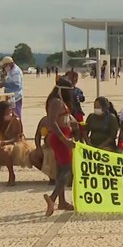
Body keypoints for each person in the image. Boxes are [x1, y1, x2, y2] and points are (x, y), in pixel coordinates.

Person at [43, 78, 77, 216]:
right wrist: (64, 139)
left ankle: (62, 201)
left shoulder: (59, 102)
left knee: (61, 169)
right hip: (60, 139)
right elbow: (52, 122)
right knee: (67, 170)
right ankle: (52, 198)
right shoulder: (56, 102)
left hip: (63, 137)